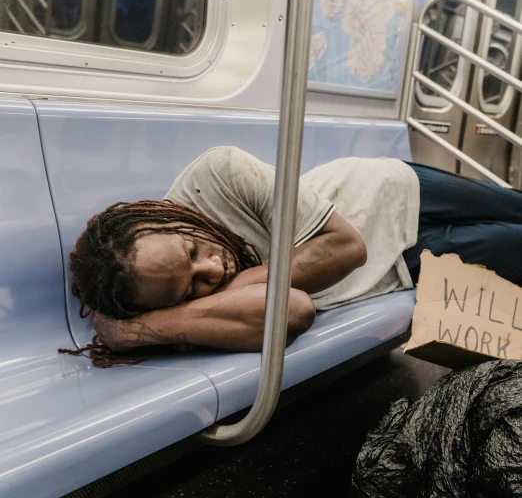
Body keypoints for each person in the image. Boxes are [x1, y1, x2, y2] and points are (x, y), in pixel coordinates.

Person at [61, 146, 522, 367]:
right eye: (191, 287)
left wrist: (190, 304)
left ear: (163, 216)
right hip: (399, 267)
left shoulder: (218, 174)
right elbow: (293, 309)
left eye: (194, 248)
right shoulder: (152, 300)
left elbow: (345, 246)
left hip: (387, 189)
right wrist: (136, 329)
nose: (213, 268)